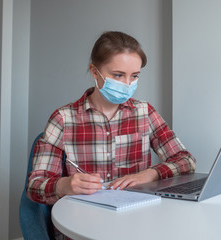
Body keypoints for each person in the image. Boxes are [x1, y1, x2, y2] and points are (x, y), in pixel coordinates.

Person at [27, 31, 196, 209]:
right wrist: (65, 185)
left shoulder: (144, 113)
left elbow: (186, 160)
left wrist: (151, 174)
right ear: (94, 71)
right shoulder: (63, 119)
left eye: (135, 76)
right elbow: (35, 186)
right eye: (118, 75)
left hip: (135, 218)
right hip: (82, 220)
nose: (127, 83)